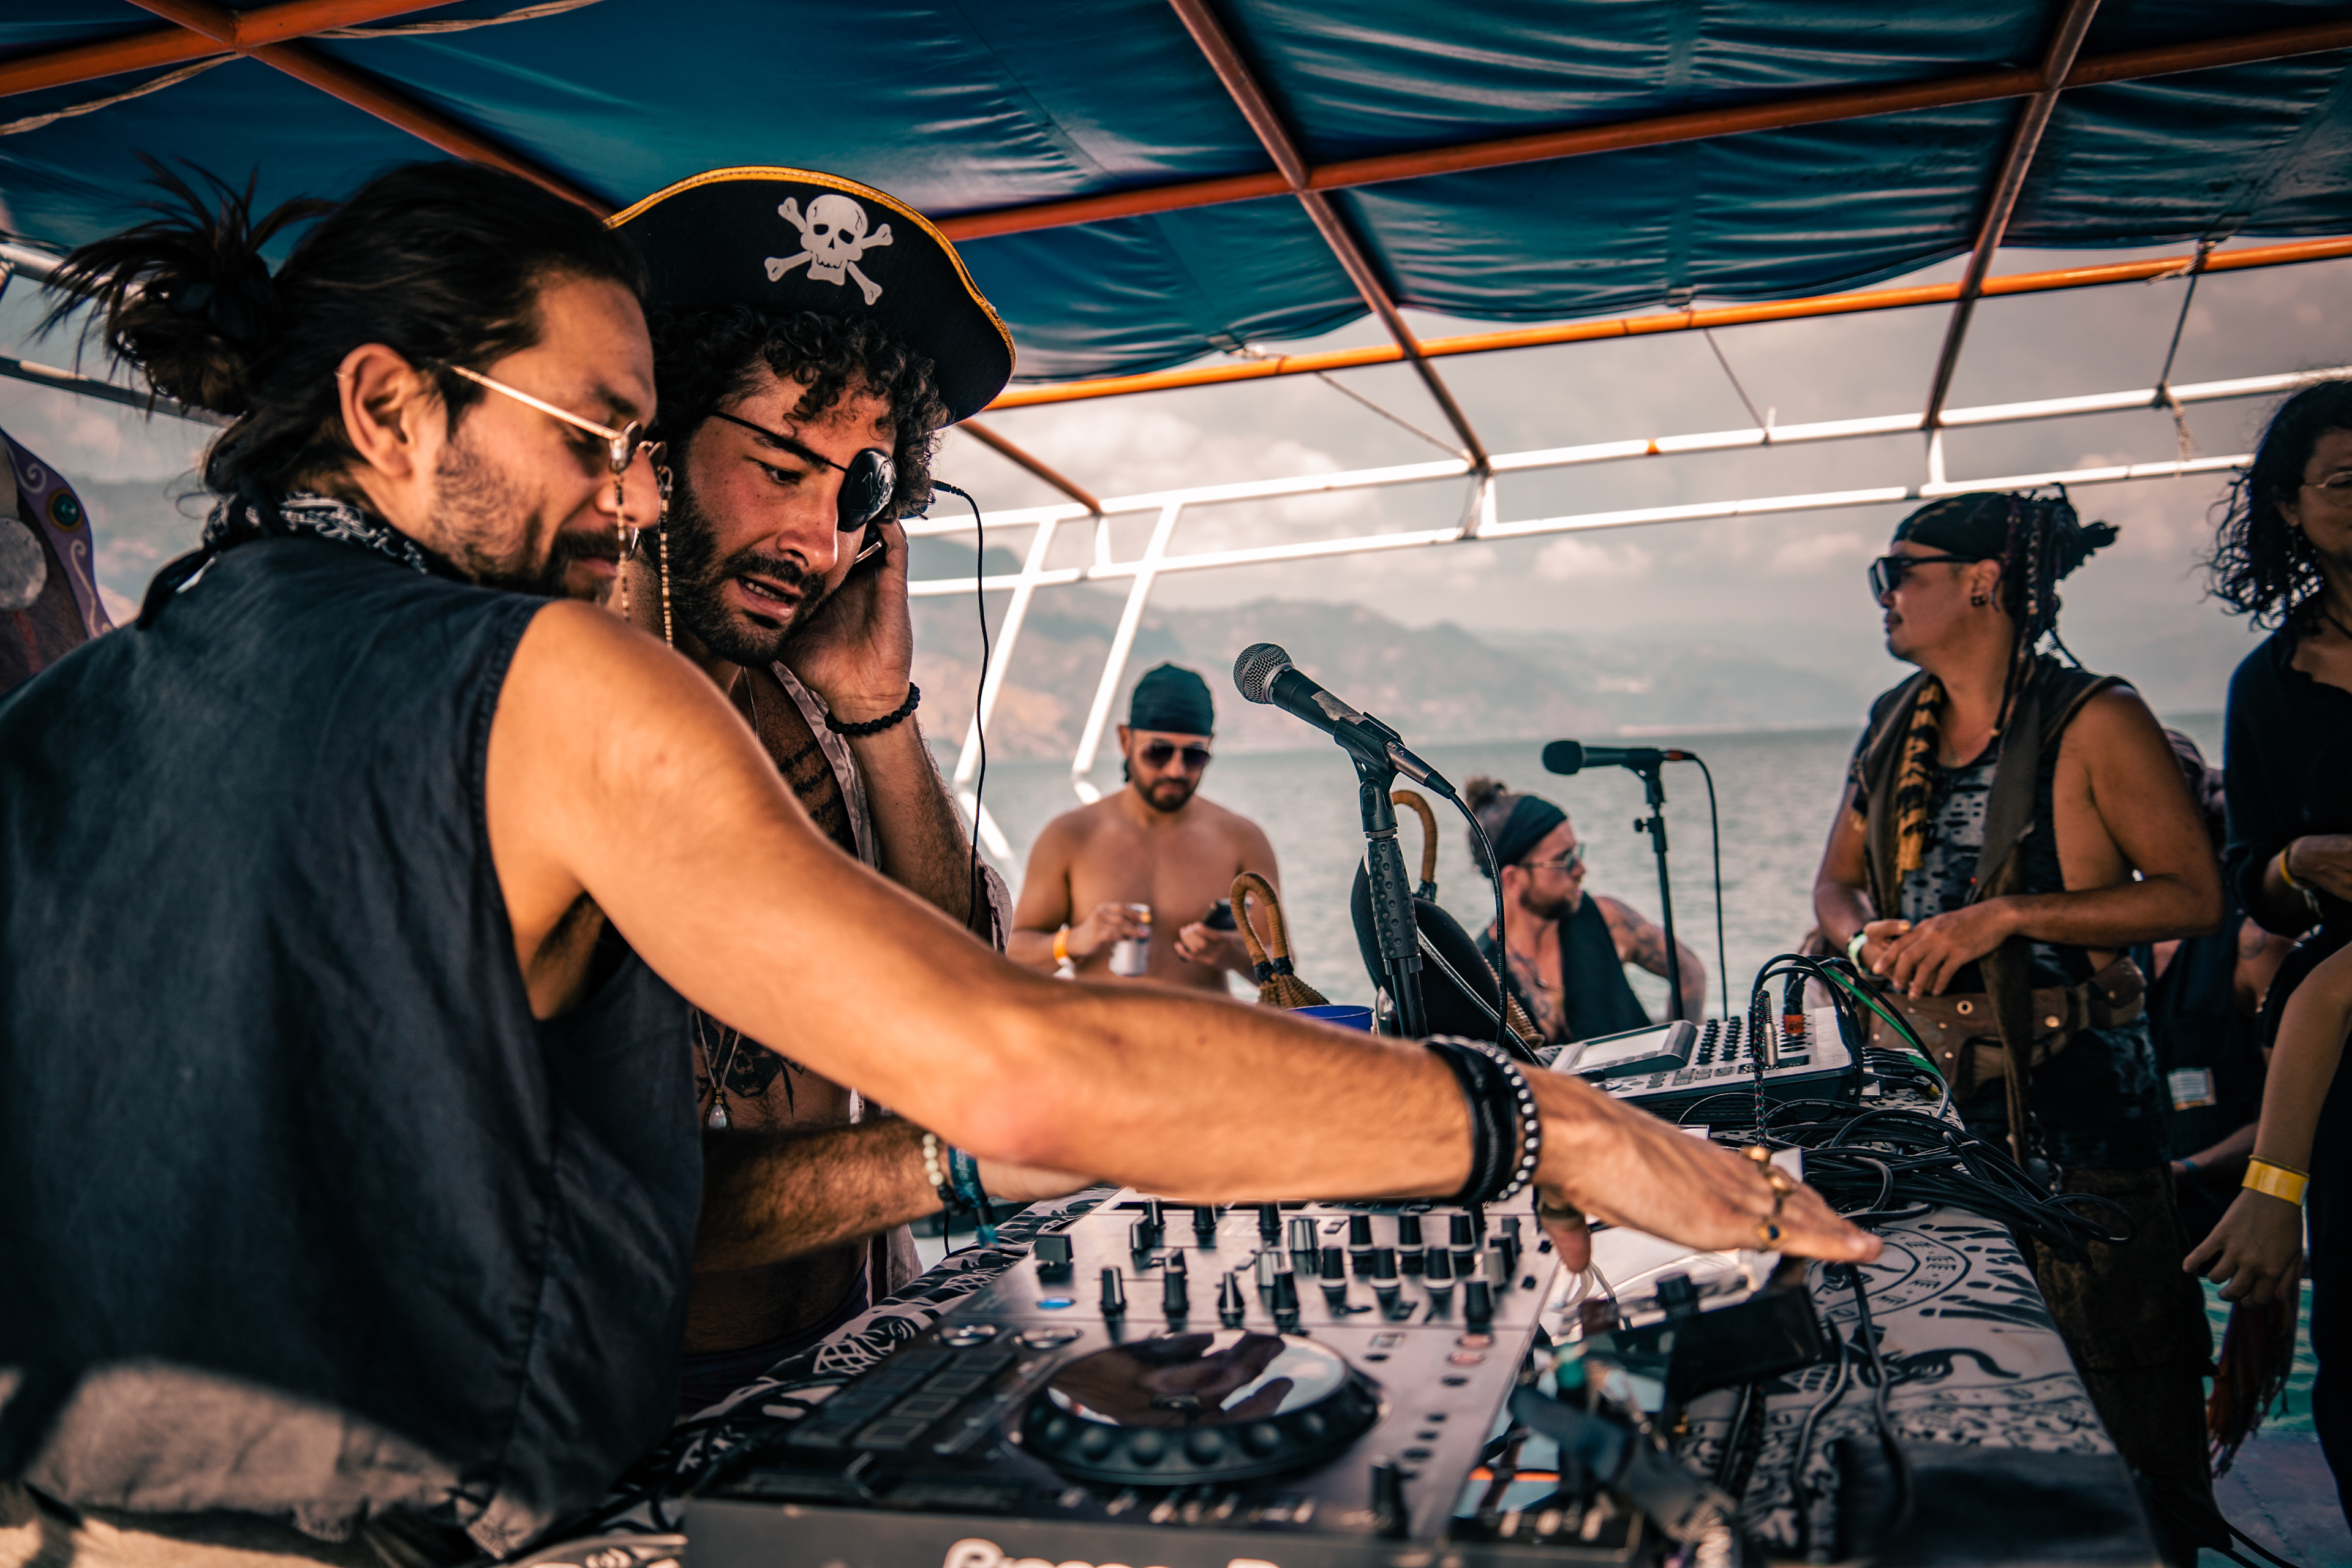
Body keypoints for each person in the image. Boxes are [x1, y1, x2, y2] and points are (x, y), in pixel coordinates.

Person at [0, 159, 1873, 1566]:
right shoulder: (549, 679)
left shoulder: (63, 719)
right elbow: (1005, 1057)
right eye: (608, 439)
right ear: (390, 409)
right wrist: (1547, 1121)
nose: (633, 497)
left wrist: (884, 730)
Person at [597, 169, 1046, 1413]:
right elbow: (583, 1185)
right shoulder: (538, 709)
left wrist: (877, 709)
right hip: (623, 1406)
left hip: (850, 1347)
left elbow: (963, 995)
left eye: (860, 494)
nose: (819, 538)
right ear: (653, 450)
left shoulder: (818, 710)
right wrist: (976, 1155)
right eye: (782, 468)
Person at [1809, 490, 2222, 1559]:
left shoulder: (2098, 719)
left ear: (1981, 582)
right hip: (1933, 1135)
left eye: (1899, 572)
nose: (1884, 595)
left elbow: (2192, 895)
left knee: (2130, 1415)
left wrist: (2008, 915)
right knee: (1960, 1413)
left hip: (2085, 1130)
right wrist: (1864, 943)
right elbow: (1836, 887)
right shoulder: (1892, 722)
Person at [2196, 377, 2352, 1523]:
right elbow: (2251, 880)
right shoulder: (2267, 685)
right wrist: (2299, 864)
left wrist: (2269, 1185)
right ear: (2290, 508)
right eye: (2347, 482)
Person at [1008, 663, 1275, 992]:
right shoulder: (1069, 836)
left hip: (1205, 1024)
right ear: (1126, 740)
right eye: (1158, 752)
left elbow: (1283, 967)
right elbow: (1013, 955)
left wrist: (1236, 956)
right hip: (1100, 1025)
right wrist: (1074, 941)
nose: (1176, 770)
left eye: (1194, 756)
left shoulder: (1242, 839)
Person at [2133, 730, 2290, 1248]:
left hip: (2235, 1230)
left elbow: (2294, 1117)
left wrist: (2187, 1170)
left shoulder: (2255, 941)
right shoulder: (2120, 936)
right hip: (2140, 1224)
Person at [1464, 776, 1706, 1041]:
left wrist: (1678, 1053)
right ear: (1513, 879)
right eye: (1563, 859)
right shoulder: (1480, 974)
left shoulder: (1609, 920)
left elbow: (1689, 971)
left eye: (1576, 852)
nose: (1581, 869)